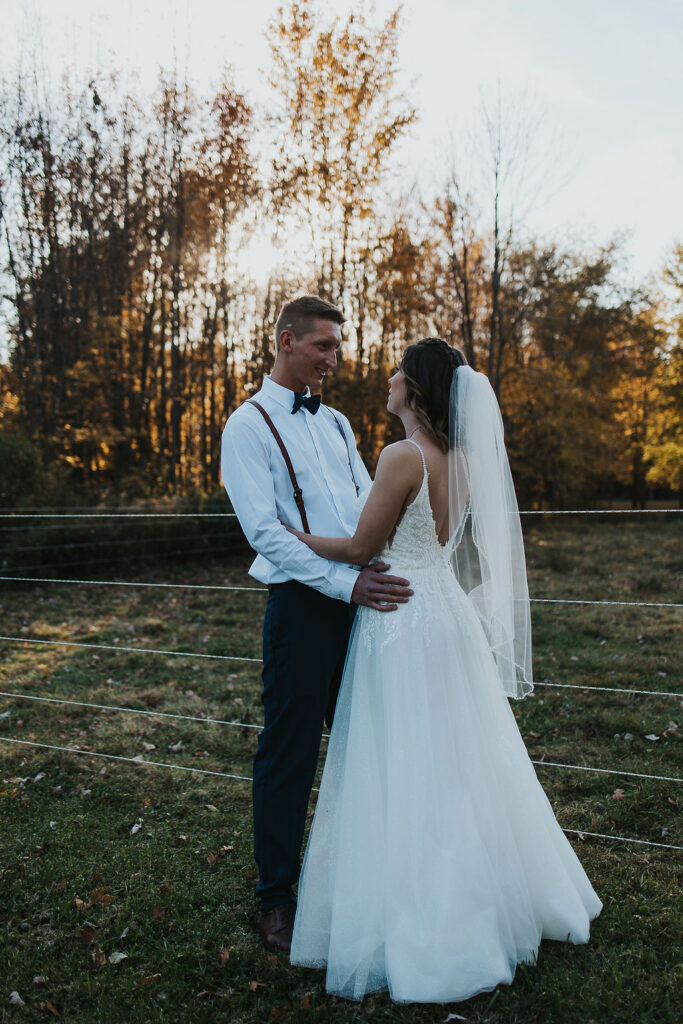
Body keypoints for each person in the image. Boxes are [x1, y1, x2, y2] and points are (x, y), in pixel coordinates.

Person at [288, 338, 603, 1004]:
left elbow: (360, 547)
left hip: (397, 618)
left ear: (419, 390)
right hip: (444, 614)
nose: (389, 376)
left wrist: (283, 535)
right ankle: (489, 895)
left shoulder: (401, 456)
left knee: (400, 759)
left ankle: (427, 924)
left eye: (400, 370)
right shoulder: (463, 459)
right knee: (455, 762)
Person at [221, 295, 413, 955]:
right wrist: (345, 581)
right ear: (285, 341)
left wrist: (382, 564)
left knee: (369, 739)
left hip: (362, 600)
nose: (334, 359)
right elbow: (265, 533)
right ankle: (276, 898)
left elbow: (365, 505)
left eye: (336, 346)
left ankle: (369, 883)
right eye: (322, 346)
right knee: (289, 753)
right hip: (302, 607)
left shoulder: (335, 423)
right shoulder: (245, 427)